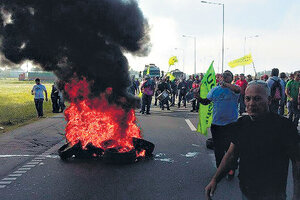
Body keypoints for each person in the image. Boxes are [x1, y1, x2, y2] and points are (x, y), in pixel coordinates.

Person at [205, 80, 300, 200]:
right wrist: (215, 180)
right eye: (247, 98)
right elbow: (231, 155)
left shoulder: (284, 126)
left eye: (257, 99)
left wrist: (297, 195)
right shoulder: (241, 124)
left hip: (273, 194)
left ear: (269, 100)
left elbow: (297, 162)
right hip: (247, 192)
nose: (251, 103)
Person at [197, 70, 240, 179]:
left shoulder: (234, 90)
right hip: (217, 125)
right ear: (221, 77)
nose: (225, 77)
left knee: (230, 149)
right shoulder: (215, 90)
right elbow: (206, 101)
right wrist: (198, 97)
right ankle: (221, 169)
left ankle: (231, 169)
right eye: (224, 75)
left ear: (232, 78)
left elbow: (238, 90)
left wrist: (225, 84)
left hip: (231, 124)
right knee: (219, 149)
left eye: (228, 75)